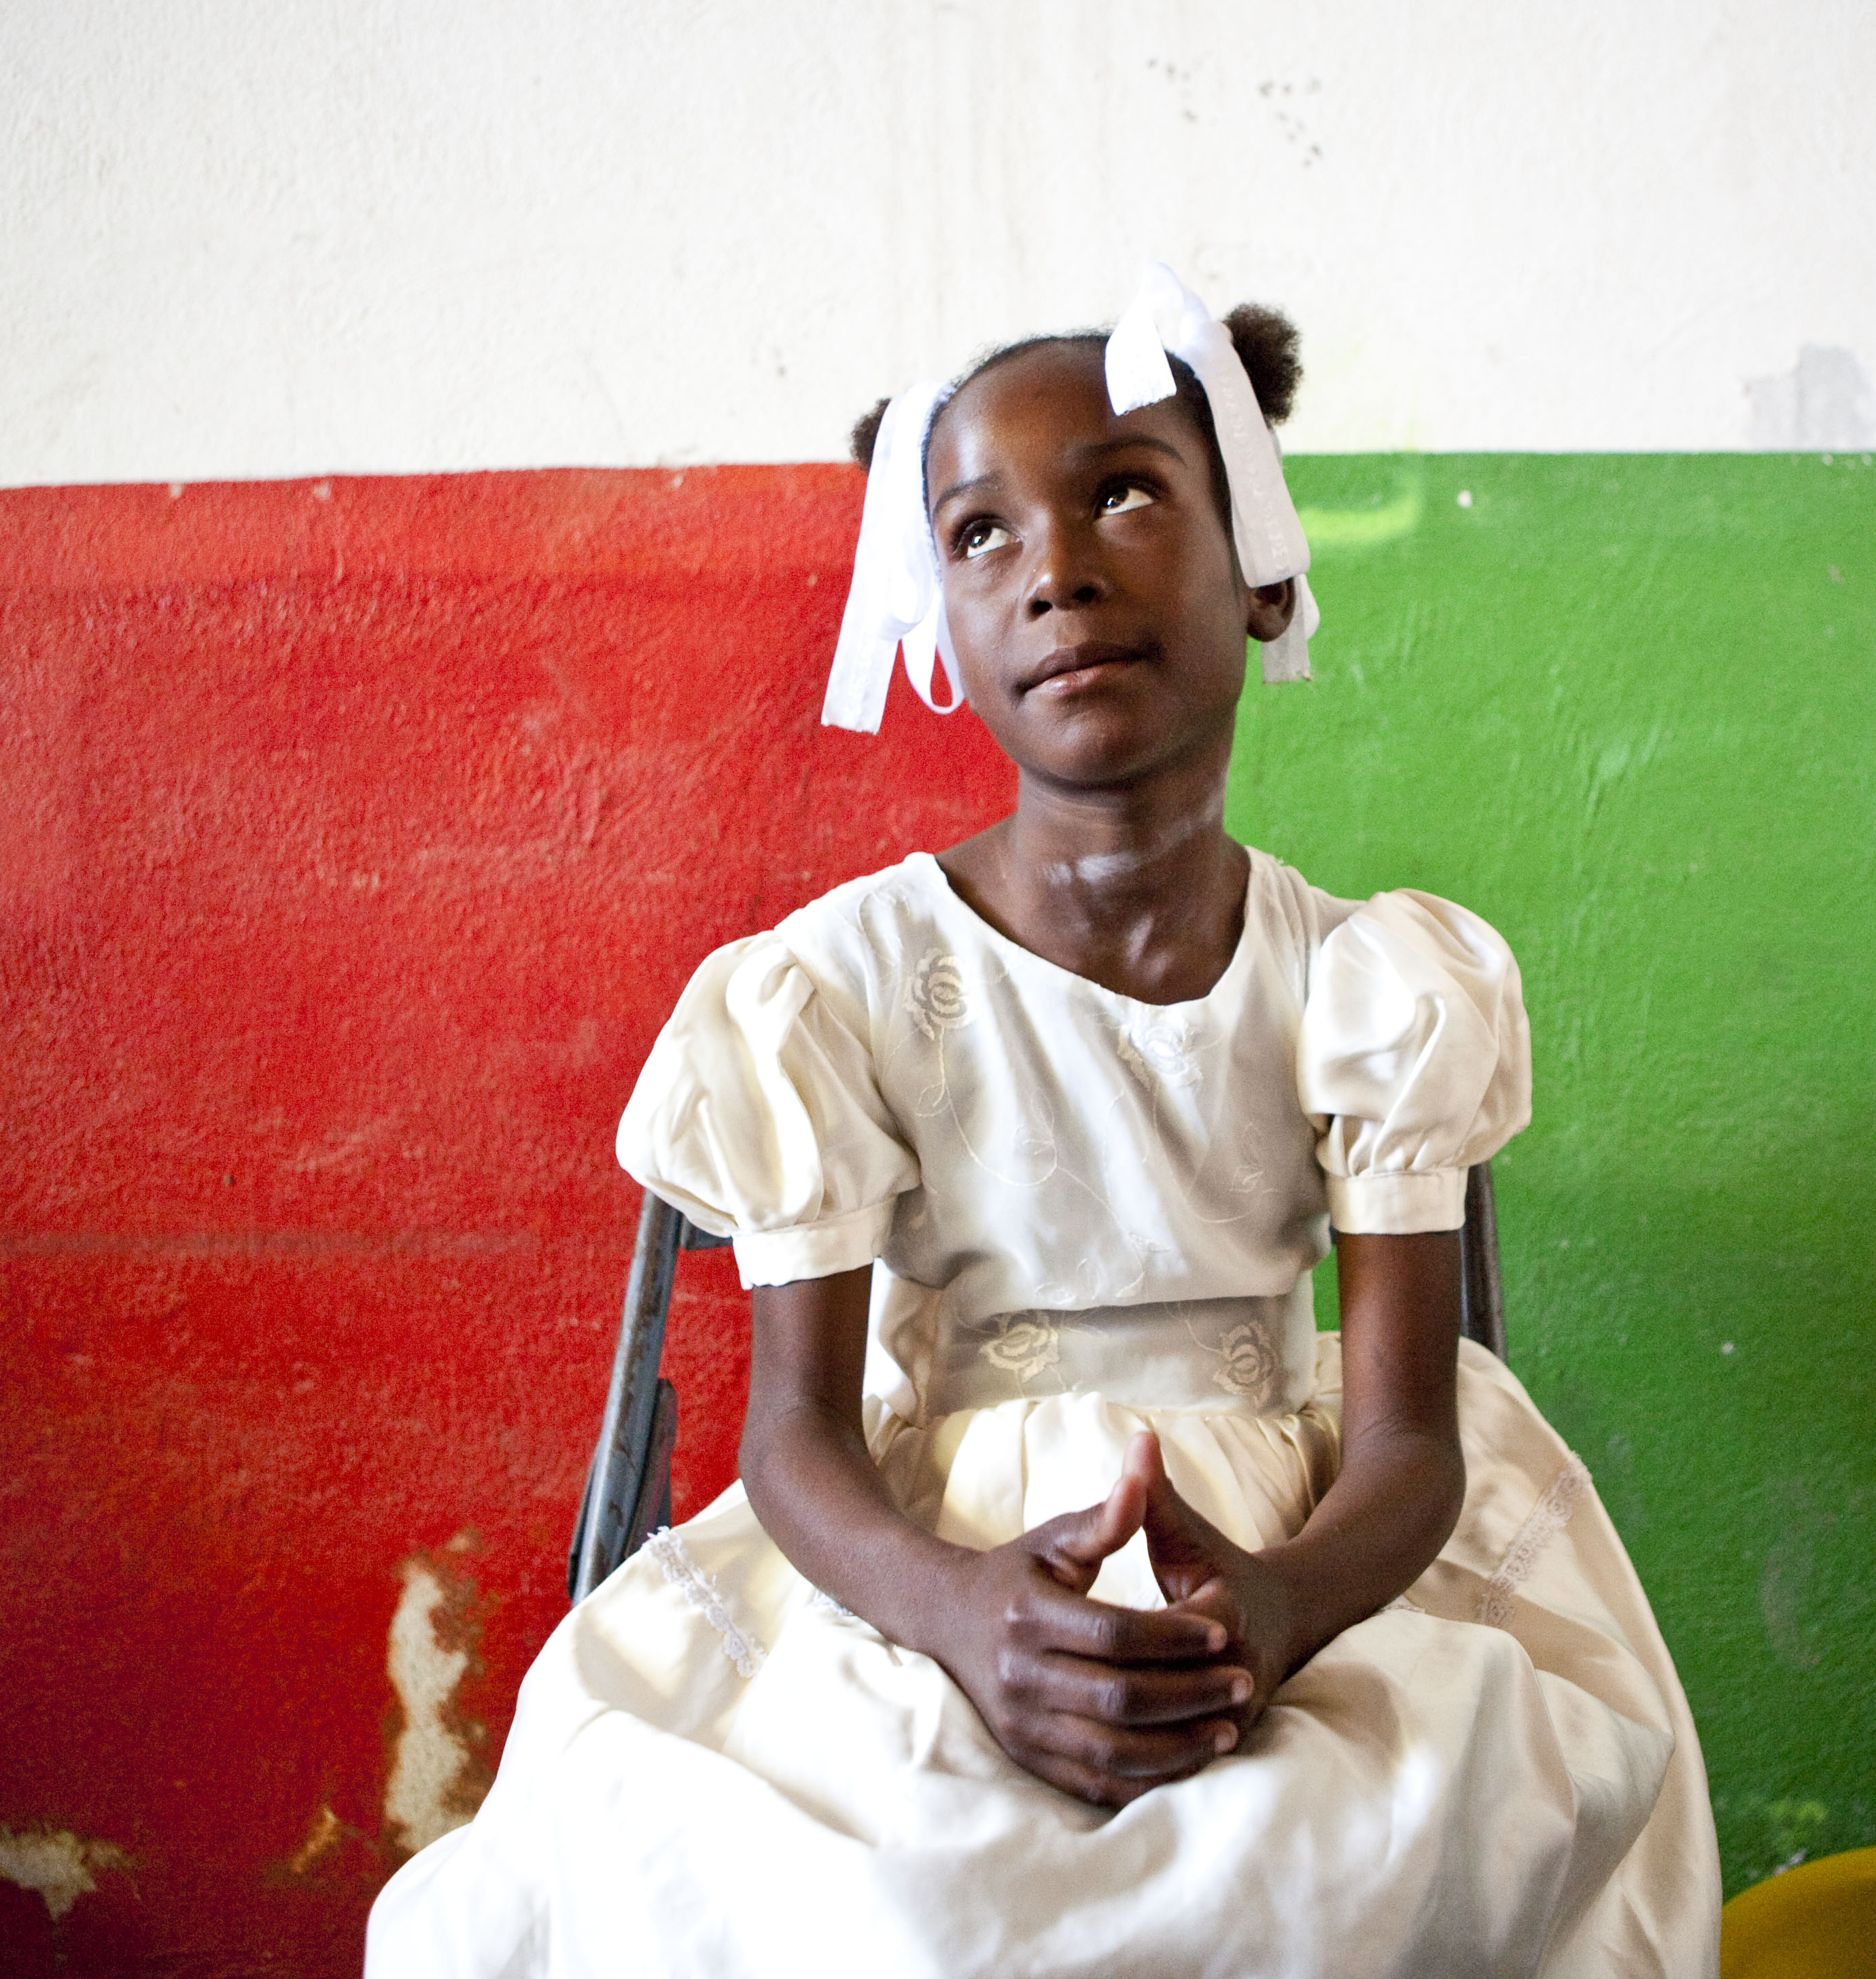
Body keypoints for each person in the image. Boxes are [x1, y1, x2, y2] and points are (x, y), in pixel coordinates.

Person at [366, 268, 1721, 1978]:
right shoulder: (836, 985)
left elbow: (1406, 1439)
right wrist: (957, 1612)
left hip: (1289, 1542)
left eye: (1127, 491)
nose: (1058, 569)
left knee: (1375, 1843)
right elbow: (792, 1440)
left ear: (1266, 564)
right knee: (883, 1900)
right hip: (925, 1555)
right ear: (935, 615)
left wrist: (1281, 1608)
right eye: (979, 534)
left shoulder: (1368, 980)